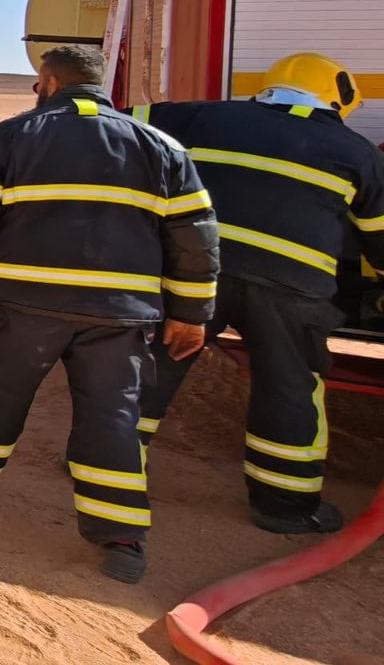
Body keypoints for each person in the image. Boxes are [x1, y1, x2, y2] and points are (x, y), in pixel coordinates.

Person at [0, 44, 219, 585]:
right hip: (122, 314)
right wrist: (190, 313)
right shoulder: (163, 147)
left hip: (24, 305)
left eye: (37, 84)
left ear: (50, 83)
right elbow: (195, 239)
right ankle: (121, 537)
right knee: (114, 415)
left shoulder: (8, 138)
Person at [131, 53, 384, 534]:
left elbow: (119, 120)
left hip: (196, 274)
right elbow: (379, 235)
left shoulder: (201, 116)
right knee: (288, 384)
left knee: (153, 365)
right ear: (337, 98)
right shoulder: (356, 152)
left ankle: (107, 464)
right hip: (291, 290)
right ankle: (285, 505)